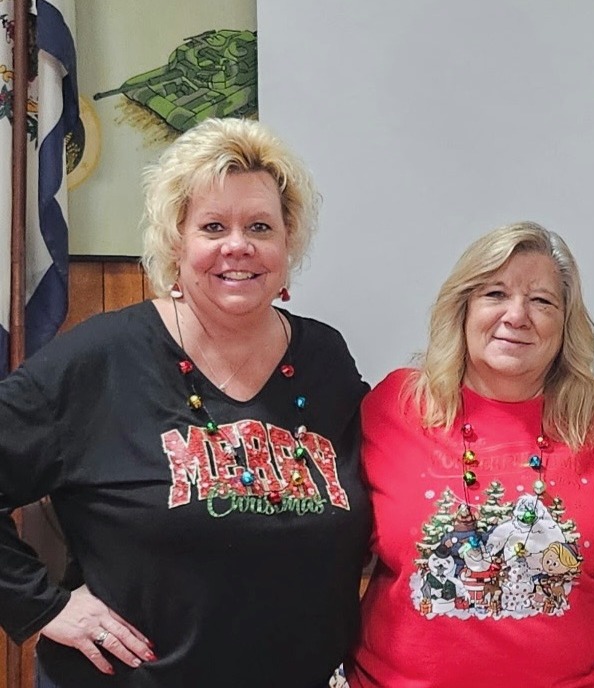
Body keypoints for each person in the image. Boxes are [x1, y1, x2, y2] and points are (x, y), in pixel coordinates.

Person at [0, 118, 371, 687]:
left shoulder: (325, 358)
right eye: (213, 226)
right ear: (176, 242)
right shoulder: (101, 359)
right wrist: (44, 606)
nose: (238, 245)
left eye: (260, 226)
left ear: (288, 241)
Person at [346, 221, 594, 687]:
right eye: (495, 294)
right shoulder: (394, 407)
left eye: (542, 301)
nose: (517, 315)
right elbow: (332, 549)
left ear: (566, 323)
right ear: (463, 307)